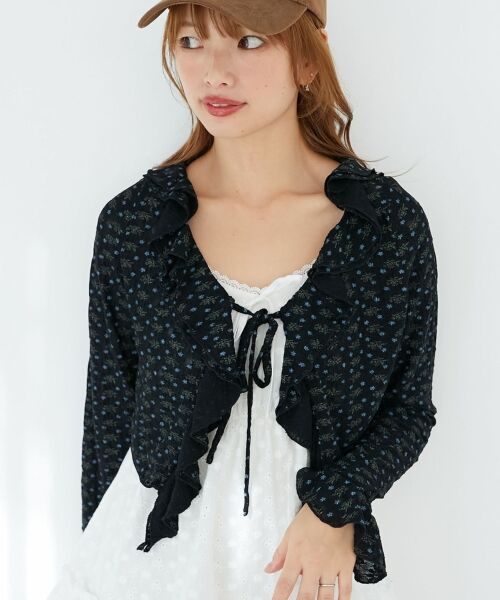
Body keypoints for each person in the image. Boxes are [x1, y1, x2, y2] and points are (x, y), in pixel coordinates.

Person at [47, 2, 438, 599]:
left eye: (249, 41)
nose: (214, 72)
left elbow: (408, 410)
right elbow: (108, 414)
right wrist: (98, 555)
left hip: (301, 566)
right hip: (145, 567)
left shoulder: (383, 228)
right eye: (190, 41)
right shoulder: (136, 224)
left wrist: (333, 509)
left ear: (308, 61)